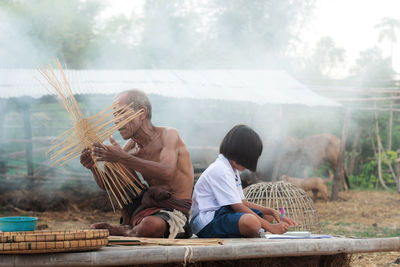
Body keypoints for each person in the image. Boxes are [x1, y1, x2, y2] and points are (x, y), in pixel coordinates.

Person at [80, 89, 194, 238]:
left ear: (141, 113)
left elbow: (167, 172)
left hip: (173, 212)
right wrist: (94, 167)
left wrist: (122, 157)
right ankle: (128, 225)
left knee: (150, 226)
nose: (116, 122)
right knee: (112, 166)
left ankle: (126, 231)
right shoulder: (130, 147)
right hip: (145, 206)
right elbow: (108, 183)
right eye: (114, 116)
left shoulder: (168, 134)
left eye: (121, 114)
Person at [190, 125, 297, 238]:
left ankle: (249, 229)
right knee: (252, 222)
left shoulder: (232, 169)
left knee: (266, 216)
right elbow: (238, 207)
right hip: (207, 222)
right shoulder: (221, 170)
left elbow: (242, 202)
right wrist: (270, 227)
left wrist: (271, 211)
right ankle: (252, 230)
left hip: (223, 213)